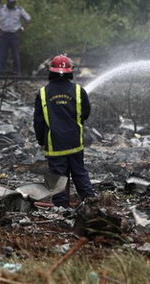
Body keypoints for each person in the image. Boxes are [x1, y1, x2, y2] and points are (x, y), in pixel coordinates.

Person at [33, 55, 95, 207]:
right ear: (69, 72)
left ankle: (62, 208)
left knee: (58, 176)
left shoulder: (43, 93)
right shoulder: (79, 91)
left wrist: (41, 140)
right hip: (75, 143)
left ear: (51, 72)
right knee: (79, 173)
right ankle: (91, 202)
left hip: (54, 144)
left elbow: (38, 122)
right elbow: (85, 113)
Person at [0, 0, 31, 75]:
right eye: (11, 2)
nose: (13, 4)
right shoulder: (1, 9)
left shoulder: (19, 10)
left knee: (15, 55)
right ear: (7, 2)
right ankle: (2, 74)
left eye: (14, 2)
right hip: (4, 34)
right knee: (2, 55)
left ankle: (17, 73)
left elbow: (28, 19)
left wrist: (22, 29)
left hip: (14, 34)